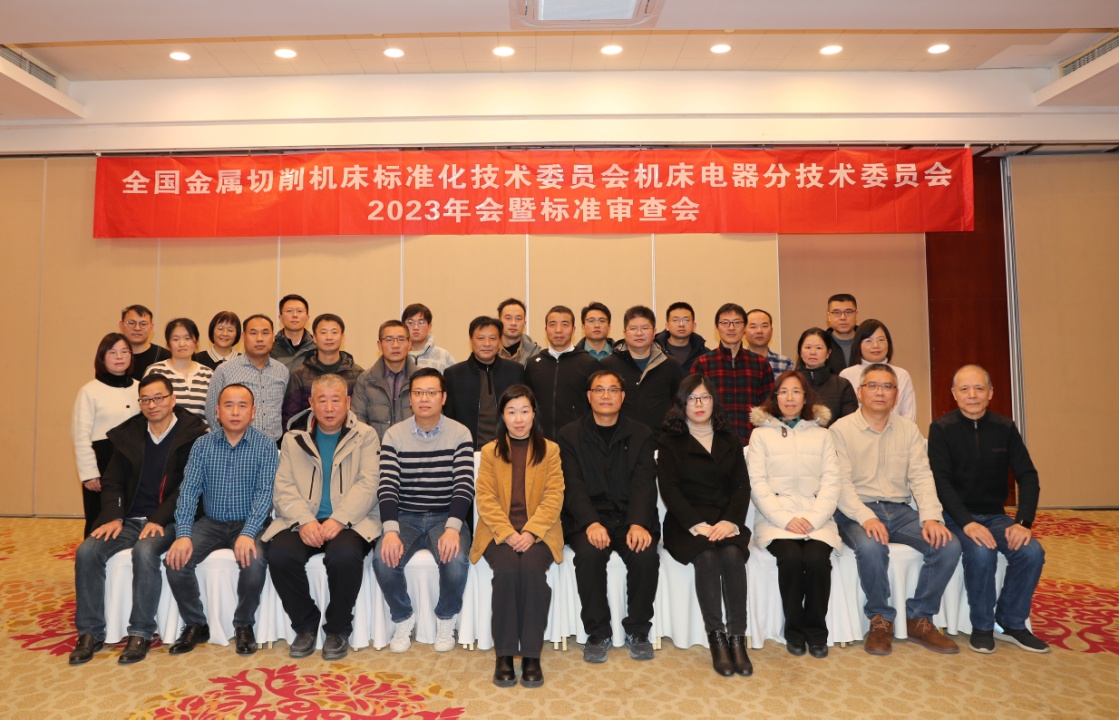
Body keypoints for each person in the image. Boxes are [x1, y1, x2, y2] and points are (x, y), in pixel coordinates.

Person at [68, 375, 207, 665]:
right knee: (88, 550)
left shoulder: (192, 435)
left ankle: (140, 632)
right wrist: (113, 516)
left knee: (145, 552)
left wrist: (158, 518)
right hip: (129, 518)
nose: (152, 405)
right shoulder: (129, 434)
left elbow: (188, 487)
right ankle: (90, 632)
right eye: (146, 400)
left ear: (172, 399)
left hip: (170, 519)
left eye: (159, 398)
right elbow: (113, 481)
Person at [831, 363, 961, 656]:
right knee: (871, 546)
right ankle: (880, 620)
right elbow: (840, 485)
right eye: (873, 386)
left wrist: (931, 517)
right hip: (856, 511)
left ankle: (919, 618)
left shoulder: (908, 430)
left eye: (887, 387)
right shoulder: (840, 430)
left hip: (899, 511)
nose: (880, 392)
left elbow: (922, 476)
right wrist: (866, 517)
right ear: (860, 392)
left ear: (896, 394)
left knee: (948, 544)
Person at [928, 364, 1049, 654]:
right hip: (955, 516)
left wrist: (1023, 522)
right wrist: (967, 523)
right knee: (981, 551)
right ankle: (982, 626)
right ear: (954, 394)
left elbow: (1028, 476)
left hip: (996, 515)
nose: (972, 395)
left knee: (1032, 552)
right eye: (965, 389)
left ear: (991, 393)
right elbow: (940, 482)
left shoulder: (1005, 428)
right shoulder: (941, 429)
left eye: (979, 388)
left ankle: (1010, 622)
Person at [264, 374, 382, 661]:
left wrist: (339, 519)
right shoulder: (294, 438)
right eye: (322, 400)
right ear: (311, 403)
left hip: (352, 521)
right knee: (279, 554)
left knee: (343, 556)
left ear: (348, 402)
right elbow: (283, 486)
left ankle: (337, 629)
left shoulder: (365, 435)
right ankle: (305, 625)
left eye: (336, 400)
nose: (329, 408)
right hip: (304, 520)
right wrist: (304, 521)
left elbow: (369, 484)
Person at [165, 383, 278, 656]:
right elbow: (188, 491)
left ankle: (244, 625)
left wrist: (248, 532)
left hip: (251, 522)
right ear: (217, 412)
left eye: (242, 406)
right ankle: (196, 623)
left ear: (253, 412)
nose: (235, 412)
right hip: (212, 523)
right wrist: (183, 534)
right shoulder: (202, 445)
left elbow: (265, 494)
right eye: (228, 405)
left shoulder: (265, 446)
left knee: (254, 561)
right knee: (176, 560)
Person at [558, 370, 660, 664]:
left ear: (622, 396)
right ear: (588, 396)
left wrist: (638, 522)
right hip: (588, 519)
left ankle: (638, 631)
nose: (606, 396)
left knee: (645, 555)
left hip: (631, 517)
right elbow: (572, 485)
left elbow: (644, 482)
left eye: (613, 390)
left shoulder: (641, 433)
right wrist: (590, 522)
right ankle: (597, 633)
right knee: (589, 555)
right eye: (599, 390)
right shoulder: (569, 435)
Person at [372, 369, 474, 654]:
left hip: (445, 515)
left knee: (456, 560)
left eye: (431, 393)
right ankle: (403, 617)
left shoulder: (459, 433)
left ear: (443, 397)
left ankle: (446, 619)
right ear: (410, 398)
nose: (424, 399)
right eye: (418, 393)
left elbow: (464, 485)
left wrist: (453, 528)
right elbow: (387, 487)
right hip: (406, 517)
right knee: (383, 559)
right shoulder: (394, 435)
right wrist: (390, 531)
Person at [656, 374, 752, 677]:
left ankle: (738, 638)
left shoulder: (730, 439)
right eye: (692, 398)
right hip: (685, 523)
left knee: (733, 555)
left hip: (725, 518)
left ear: (714, 401)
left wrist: (729, 522)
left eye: (705, 397)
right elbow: (669, 489)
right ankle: (717, 638)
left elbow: (742, 487)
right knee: (707, 555)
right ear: (682, 404)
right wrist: (697, 524)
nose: (699, 404)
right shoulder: (669, 441)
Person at [471, 384, 564, 689]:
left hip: (541, 531)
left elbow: (554, 496)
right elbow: (485, 498)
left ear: (534, 414)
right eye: (512, 412)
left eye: (525, 411)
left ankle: (532, 655)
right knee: (509, 570)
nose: (519, 418)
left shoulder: (550, 450)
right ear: (503, 415)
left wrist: (532, 531)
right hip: (499, 532)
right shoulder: (490, 452)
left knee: (533, 571)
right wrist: (509, 533)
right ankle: (505, 654)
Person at [747, 370, 843, 659]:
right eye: (784, 392)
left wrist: (812, 519)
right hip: (775, 519)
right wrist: (785, 519)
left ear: (806, 397)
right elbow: (757, 485)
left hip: (816, 518)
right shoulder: (761, 435)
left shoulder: (823, 435)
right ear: (775, 397)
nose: (790, 397)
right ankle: (794, 631)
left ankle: (817, 633)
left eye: (796, 391)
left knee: (816, 560)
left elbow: (832, 483)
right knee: (790, 558)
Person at [72, 332, 139, 537]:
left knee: (130, 515)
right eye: (112, 352)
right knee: (98, 517)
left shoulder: (140, 388)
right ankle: (91, 554)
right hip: (103, 462)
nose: (119, 357)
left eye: (124, 352)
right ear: (102, 357)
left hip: (135, 461)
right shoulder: (89, 391)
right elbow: (80, 435)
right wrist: (89, 473)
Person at [691, 303, 774, 445]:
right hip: (713, 441)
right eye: (725, 323)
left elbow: (769, 407)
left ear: (745, 328)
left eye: (737, 322)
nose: (731, 328)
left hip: (752, 442)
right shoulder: (703, 363)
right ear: (717, 328)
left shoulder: (760, 363)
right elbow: (693, 406)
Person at [444, 316, 525, 448]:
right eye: (481, 338)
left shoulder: (515, 371)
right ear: (471, 340)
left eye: (492, 338)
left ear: (500, 341)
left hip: (507, 450)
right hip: (467, 450)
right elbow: (449, 419)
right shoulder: (453, 374)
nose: (487, 344)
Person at [206, 314, 290, 443]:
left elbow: (285, 411)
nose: (259, 339)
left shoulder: (282, 371)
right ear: (243, 337)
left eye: (265, 333)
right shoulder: (225, 370)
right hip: (235, 445)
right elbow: (212, 413)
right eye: (253, 333)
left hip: (274, 445)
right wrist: (226, 443)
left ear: (273, 337)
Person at [524, 305, 600, 439]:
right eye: (552, 325)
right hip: (540, 441)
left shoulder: (589, 363)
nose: (558, 330)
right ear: (546, 329)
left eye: (565, 324)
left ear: (573, 330)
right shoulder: (533, 364)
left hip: (578, 441)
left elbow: (597, 405)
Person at [601, 305, 682, 431]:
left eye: (645, 328)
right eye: (633, 328)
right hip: (618, 438)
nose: (639, 333)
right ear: (625, 333)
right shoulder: (608, 365)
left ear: (654, 332)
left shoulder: (670, 364)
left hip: (660, 438)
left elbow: (679, 404)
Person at [281, 313, 364, 431]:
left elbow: (360, 416)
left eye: (334, 332)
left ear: (342, 337)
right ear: (314, 338)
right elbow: (290, 417)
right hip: (308, 438)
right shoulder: (299, 375)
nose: (329, 337)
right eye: (323, 332)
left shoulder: (357, 374)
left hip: (349, 438)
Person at [351, 320, 419, 439]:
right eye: (389, 339)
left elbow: (432, 418)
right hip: (375, 448)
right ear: (379, 345)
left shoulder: (421, 379)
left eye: (401, 339)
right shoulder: (365, 380)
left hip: (414, 448)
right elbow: (358, 420)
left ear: (409, 344)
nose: (395, 345)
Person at [838, 319, 916, 422]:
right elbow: (844, 416)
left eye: (881, 340)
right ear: (858, 344)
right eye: (868, 341)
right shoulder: (846, 375)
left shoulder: (902, 375)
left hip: (896, 431)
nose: (875, 346)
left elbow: (909, 415)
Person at [145, 318, 214, 421]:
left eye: (187, 338)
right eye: (176, 339)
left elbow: (214, 413)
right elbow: (146, 407)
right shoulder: (155, 371)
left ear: (196, 341)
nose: (182, 344)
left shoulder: (208, 374)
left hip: (203, 431)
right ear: (168, 344)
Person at [795, 327, 858, 421]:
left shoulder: (842, 385)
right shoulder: (789, 383)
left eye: (819, 348)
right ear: (800, 352)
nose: (813, 352)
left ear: (828, 353)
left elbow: (850, 422)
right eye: (808, 347)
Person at [655, 301, 708, 375]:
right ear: (667, 326)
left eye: (686, 320)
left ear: (694, 326)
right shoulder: (655, 352)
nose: (681, 324)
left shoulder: (705, 355)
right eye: (676, 320)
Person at [119, 304, 170, 379]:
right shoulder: (112, 356)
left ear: (151, 327)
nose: (137, 328)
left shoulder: (165, 357)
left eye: (143, 324)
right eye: (131, 323)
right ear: (121, 325)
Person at [403, 302, 456, 371]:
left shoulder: (443, 356)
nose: (416, 327)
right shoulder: (398, 354)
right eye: (410, 322)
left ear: (429, 327)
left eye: (421, 322)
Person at [271, 294, 316, 371]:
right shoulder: (271, 347)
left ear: (307, 318)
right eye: (289, 311)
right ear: (280, 318)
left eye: (299, 311)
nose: (294, 315)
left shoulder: (316, 347)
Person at [745, 308, 793, 377]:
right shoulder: (737, 363)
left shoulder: (785, 363)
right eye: (753, 327)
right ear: (744, 333)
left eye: (764, 326)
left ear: (771, 331)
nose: (759, 331)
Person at [496, 298, 540, 366]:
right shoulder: (488, 350)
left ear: (524, 324)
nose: (513, 323)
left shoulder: (535, 353)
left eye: (518, 319)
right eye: (508, 318)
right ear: (499, 322)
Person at [824, 293, 859, 374]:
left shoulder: (867, 341)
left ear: (856, 314)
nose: (843, 317)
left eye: (848, 312)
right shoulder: (821, 343)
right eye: (836, 312)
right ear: (829, 316)